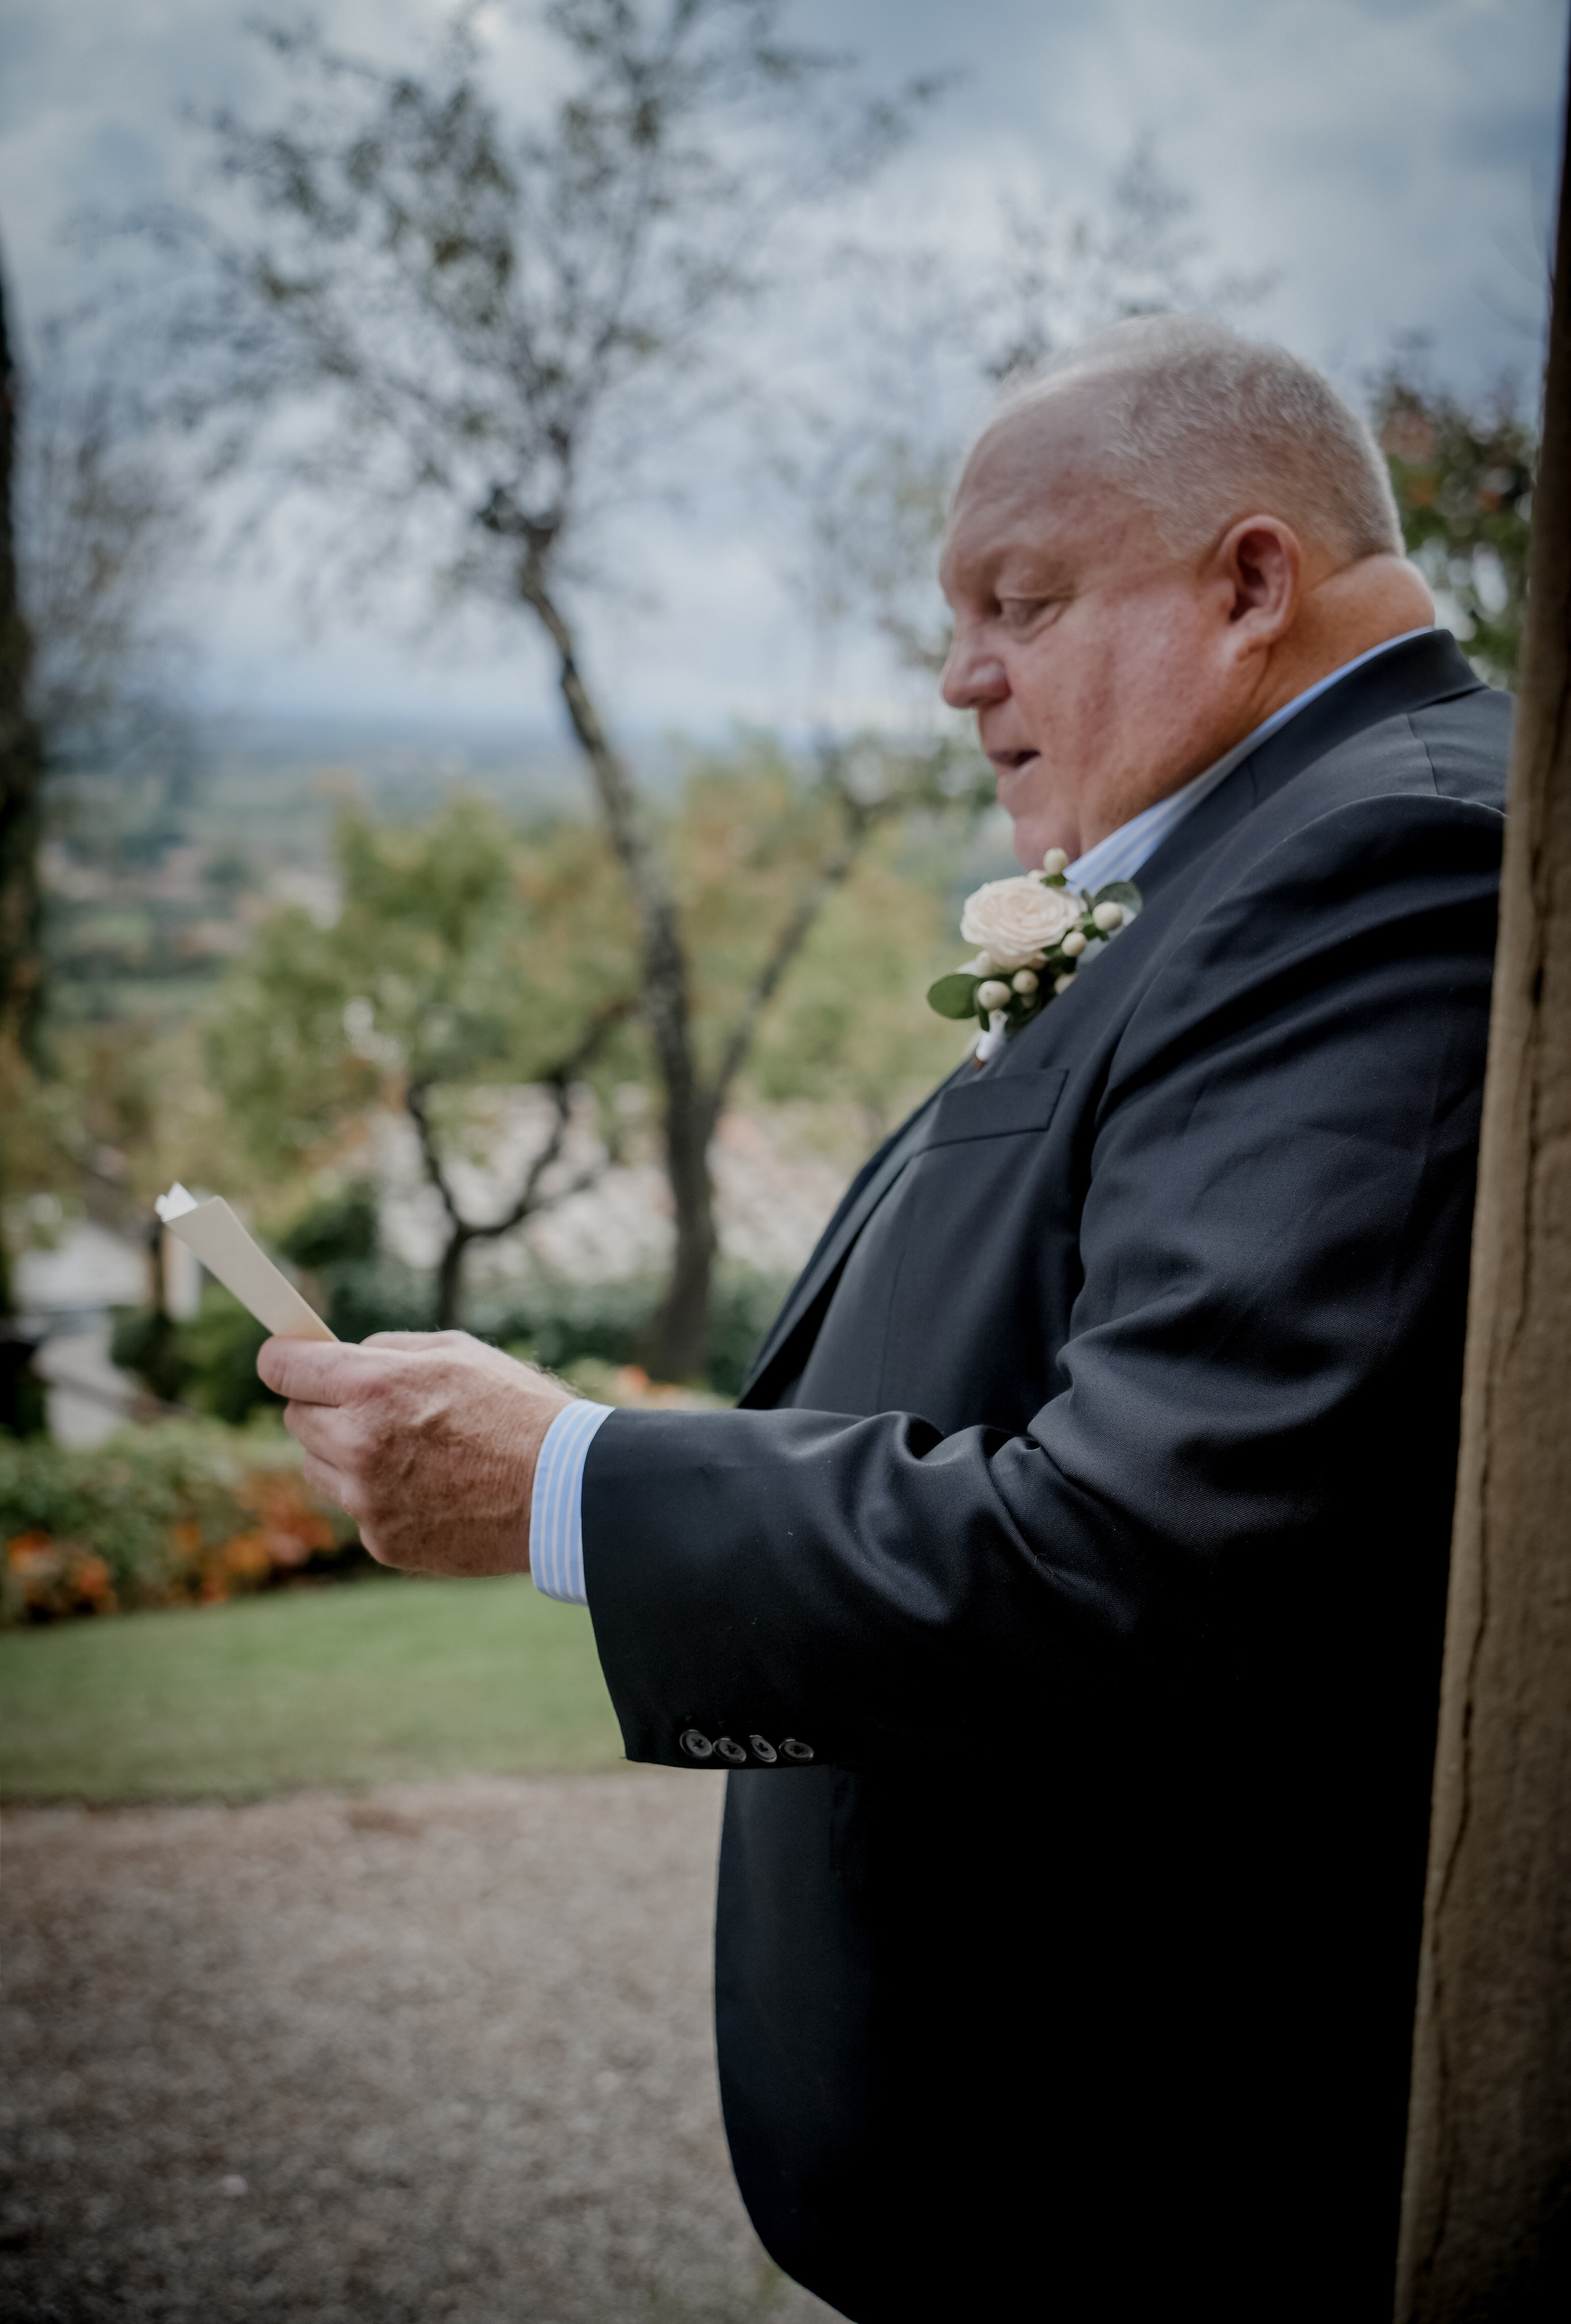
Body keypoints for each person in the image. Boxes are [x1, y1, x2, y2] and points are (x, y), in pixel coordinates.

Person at [261, 317, 1511, 2322]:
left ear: (1254, 585)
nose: (962, 675)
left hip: (1156, 2185)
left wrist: (568, 1484)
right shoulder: (1270, 841)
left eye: (1020, 601)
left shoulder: (1387, 860)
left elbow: (1149, 1547)